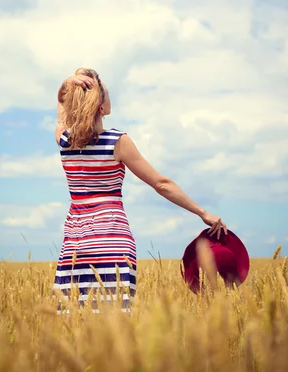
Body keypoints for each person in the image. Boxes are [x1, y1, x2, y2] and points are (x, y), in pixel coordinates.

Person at [53, 67, 227, 313]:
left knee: (74, 323)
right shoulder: (117, 141)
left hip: (75, 246)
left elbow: (61, 107)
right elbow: (161, 184)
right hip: (112, 243)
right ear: (101, 107)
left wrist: (66, 86)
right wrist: (202, 212)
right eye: (107, 95)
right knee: (116, 328)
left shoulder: (64, 141)